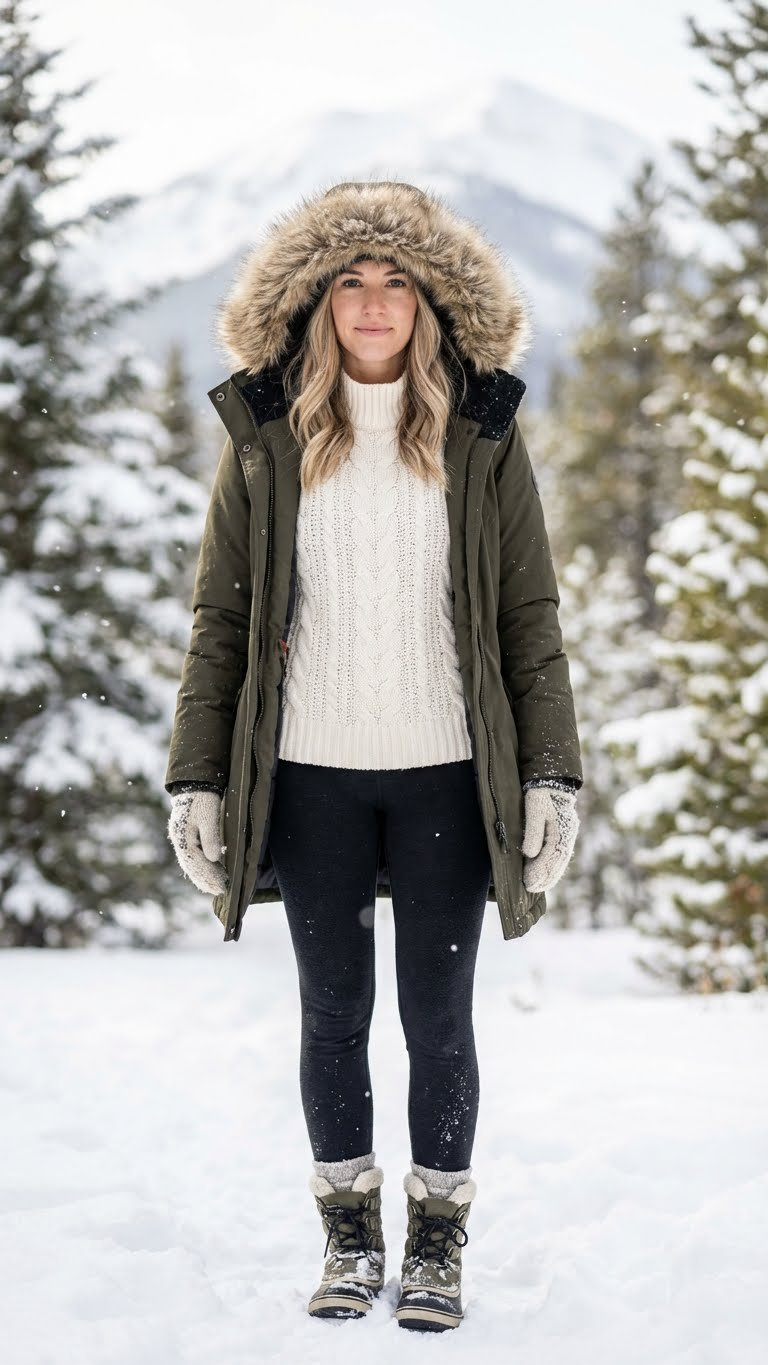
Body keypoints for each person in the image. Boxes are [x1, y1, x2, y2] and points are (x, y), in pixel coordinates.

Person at [165, 179, 583, 1331]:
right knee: (333, 1014)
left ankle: (438, 1246)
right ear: (314, 303)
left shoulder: (484, 431)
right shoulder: (264, 435)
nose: (373, 300)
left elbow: (528, 619)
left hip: (449, 774)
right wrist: (198, 776)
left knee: (438, 1017)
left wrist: (551, 772)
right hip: (311, 781)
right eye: (349, 279)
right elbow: (223, 622)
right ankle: (350, 1242)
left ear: (433, 303)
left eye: (397, 279)